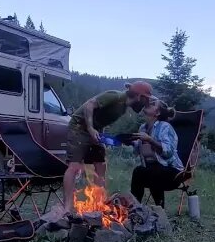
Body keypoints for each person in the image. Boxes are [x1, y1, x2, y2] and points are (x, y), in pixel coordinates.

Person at [63, 80, 153, 211]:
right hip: (79, 128)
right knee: (74, 166)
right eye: (147, 100)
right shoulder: (115, 96)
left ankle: (98, 204)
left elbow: (101, 120)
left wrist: (102, 137)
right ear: (139, 96)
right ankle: (67, 208)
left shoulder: (123, 107)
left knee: (101, 165)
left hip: (95, 132)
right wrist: (90, 129)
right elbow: (89, 105)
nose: (147, 104)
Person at [130, 97, 185, 207]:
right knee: (138, 171)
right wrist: (131, 142)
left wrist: (150, 140)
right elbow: (139, 151)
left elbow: (168, 152)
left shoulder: (165, 127)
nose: (149, 103)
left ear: (158, 112)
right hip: (153, 168)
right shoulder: (143, 128)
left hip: (173, 172)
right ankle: (135, 208)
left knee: (156, 172)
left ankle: (160, 211)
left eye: (153, 103)